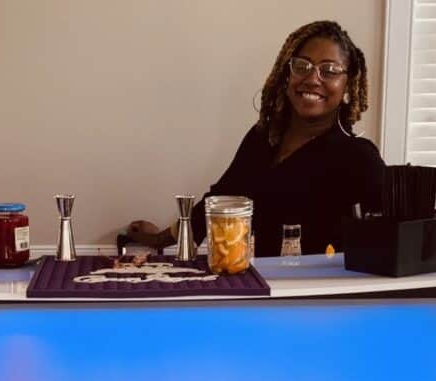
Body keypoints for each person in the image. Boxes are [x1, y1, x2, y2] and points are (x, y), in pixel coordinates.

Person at [127, 20, 385, 257]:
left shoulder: (359, 157)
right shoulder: (264, 136)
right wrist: (160, 238)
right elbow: (221, 201)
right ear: (287, 75)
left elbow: (386, 240)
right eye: (302, 66)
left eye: (329, 70)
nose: (312, 78)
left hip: (314, 296)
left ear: (348, 84)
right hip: (254, 284)